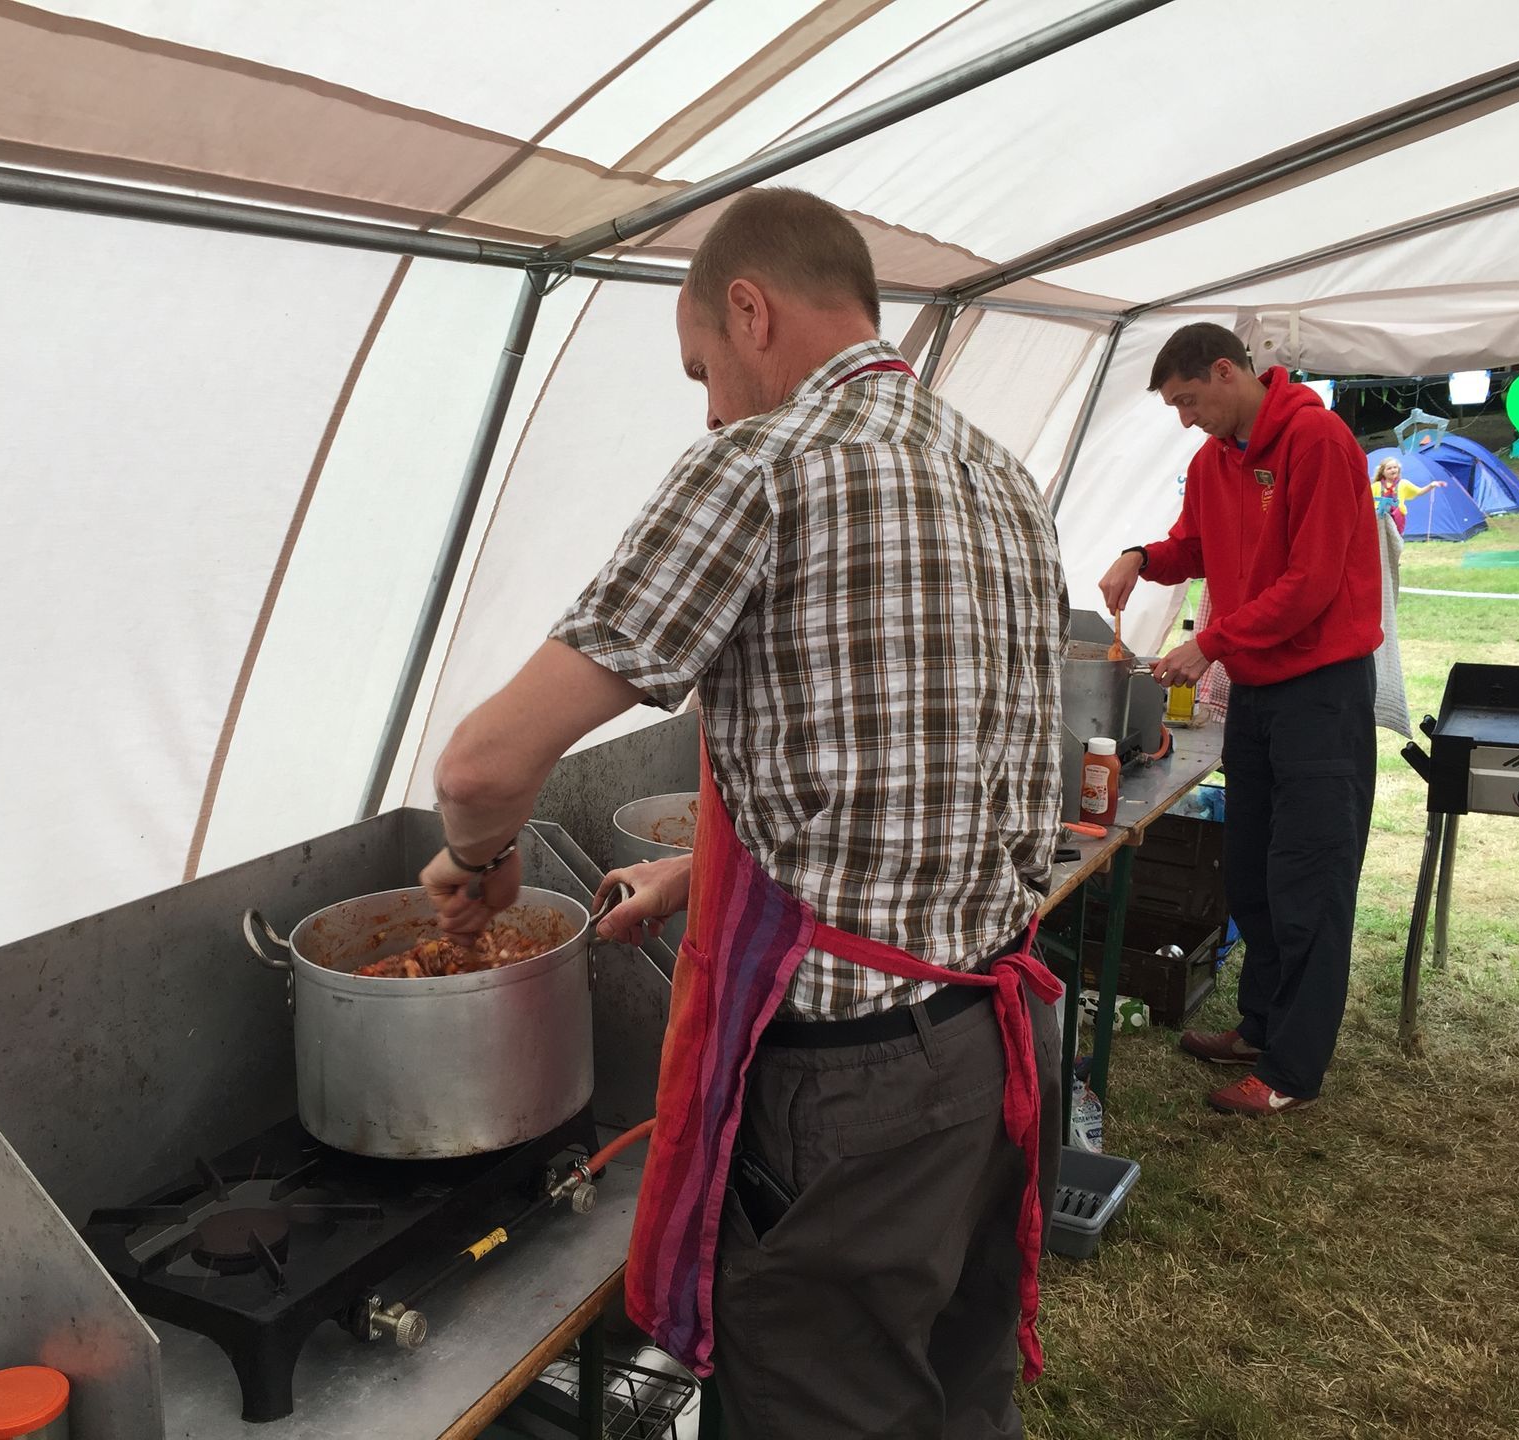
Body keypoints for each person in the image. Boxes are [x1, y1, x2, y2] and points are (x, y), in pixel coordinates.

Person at [421, 188, 1068, 1439]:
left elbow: (482, 768)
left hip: (859, 1098)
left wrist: (481, 859)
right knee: (954, 1396)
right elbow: (913, 774)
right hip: (1000, 1042)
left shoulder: (765, 462)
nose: (709, 404)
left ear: (751, 312)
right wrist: (694, 880)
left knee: (819, 1406)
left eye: (703, 368)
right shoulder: (1000, 472)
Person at [1100, 322, 1381, 1118]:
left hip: (1322, 694)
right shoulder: (1213, 461)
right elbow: (1193, 544)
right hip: (1258, 696)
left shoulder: (1317, 441)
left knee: (1310, 880)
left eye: (1190, 400)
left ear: (1226, 372)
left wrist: (1210, 645)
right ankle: (1260, 1026)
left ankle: (1291, 1071)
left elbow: (1312, 581)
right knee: (1252, 871)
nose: (1186, 419)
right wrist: (1141, 556)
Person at [1371, 455, 1448, 534]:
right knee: (1381, 539)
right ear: (1382, 472)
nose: (1393, 470)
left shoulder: (1403, 483)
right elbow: (1367, 500)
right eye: (1389, 468)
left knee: (1396, 540)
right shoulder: (1376, 486)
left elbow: (1419, 491)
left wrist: (1431, 485)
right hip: (1380, 518)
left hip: (1397, 517)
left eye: (1395, 467)